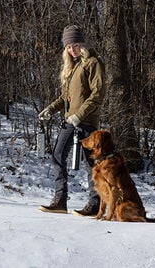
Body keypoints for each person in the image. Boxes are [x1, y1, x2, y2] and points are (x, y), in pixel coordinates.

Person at [38, 25, 106, 216]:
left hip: (86, 122)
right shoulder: (72, 67)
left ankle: (95, 203)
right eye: (69, 47)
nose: (72, 49)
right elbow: (64, 98)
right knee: (57, 155)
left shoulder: (93, 63)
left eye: (75, 45)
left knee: (90, 164)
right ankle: (60, 199)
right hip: (70, 122)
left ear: (82, 44)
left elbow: (98, 93)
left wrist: (79, 115)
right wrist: (50, 109)